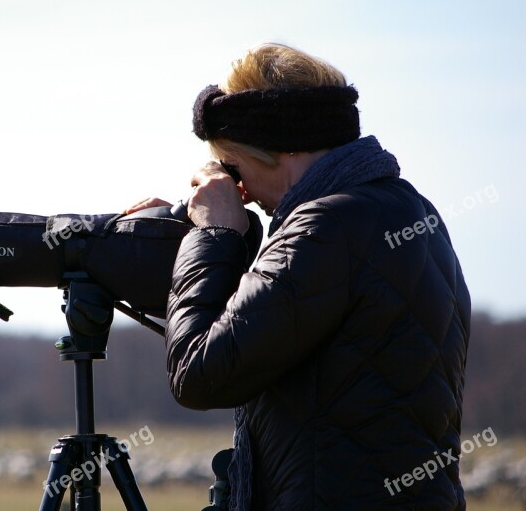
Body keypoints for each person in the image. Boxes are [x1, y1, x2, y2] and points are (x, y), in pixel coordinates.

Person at [126, 43, 471, 509]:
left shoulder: (323, 229)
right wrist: (189, 235)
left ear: (271, 149)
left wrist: (216, 235)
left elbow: (200, 373)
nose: (240, 188)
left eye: (233, 166)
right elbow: (280, 319)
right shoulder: (408, 210)